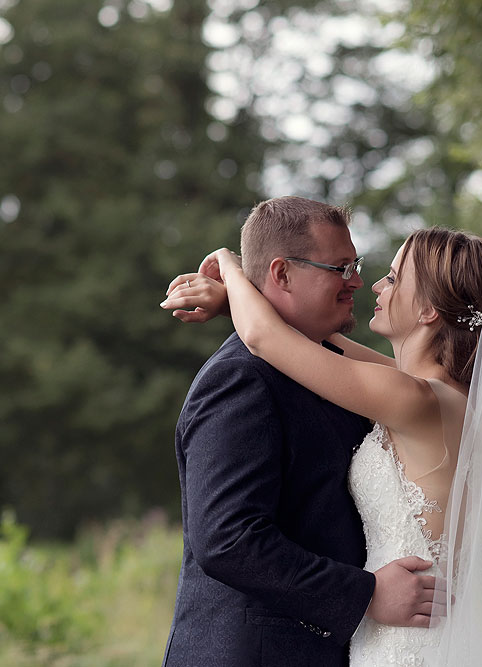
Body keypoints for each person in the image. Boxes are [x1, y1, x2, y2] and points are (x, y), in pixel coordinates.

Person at [162, 222, 482, 666]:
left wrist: (230, 265)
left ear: (427, 312)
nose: (375, 284)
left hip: (408, 639)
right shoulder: (440, 395)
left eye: (395, 277)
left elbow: (267, 338)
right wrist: (239, 298)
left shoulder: (413, 399)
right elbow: (318, 343)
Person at [159, 197, 439, 667]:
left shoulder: (347, 378)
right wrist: (364, 595)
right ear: (282, 274)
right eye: (340, 267)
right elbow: (227, 539)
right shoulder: (241, 379)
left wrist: (234, 288)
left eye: (357, 265)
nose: (357, 281)